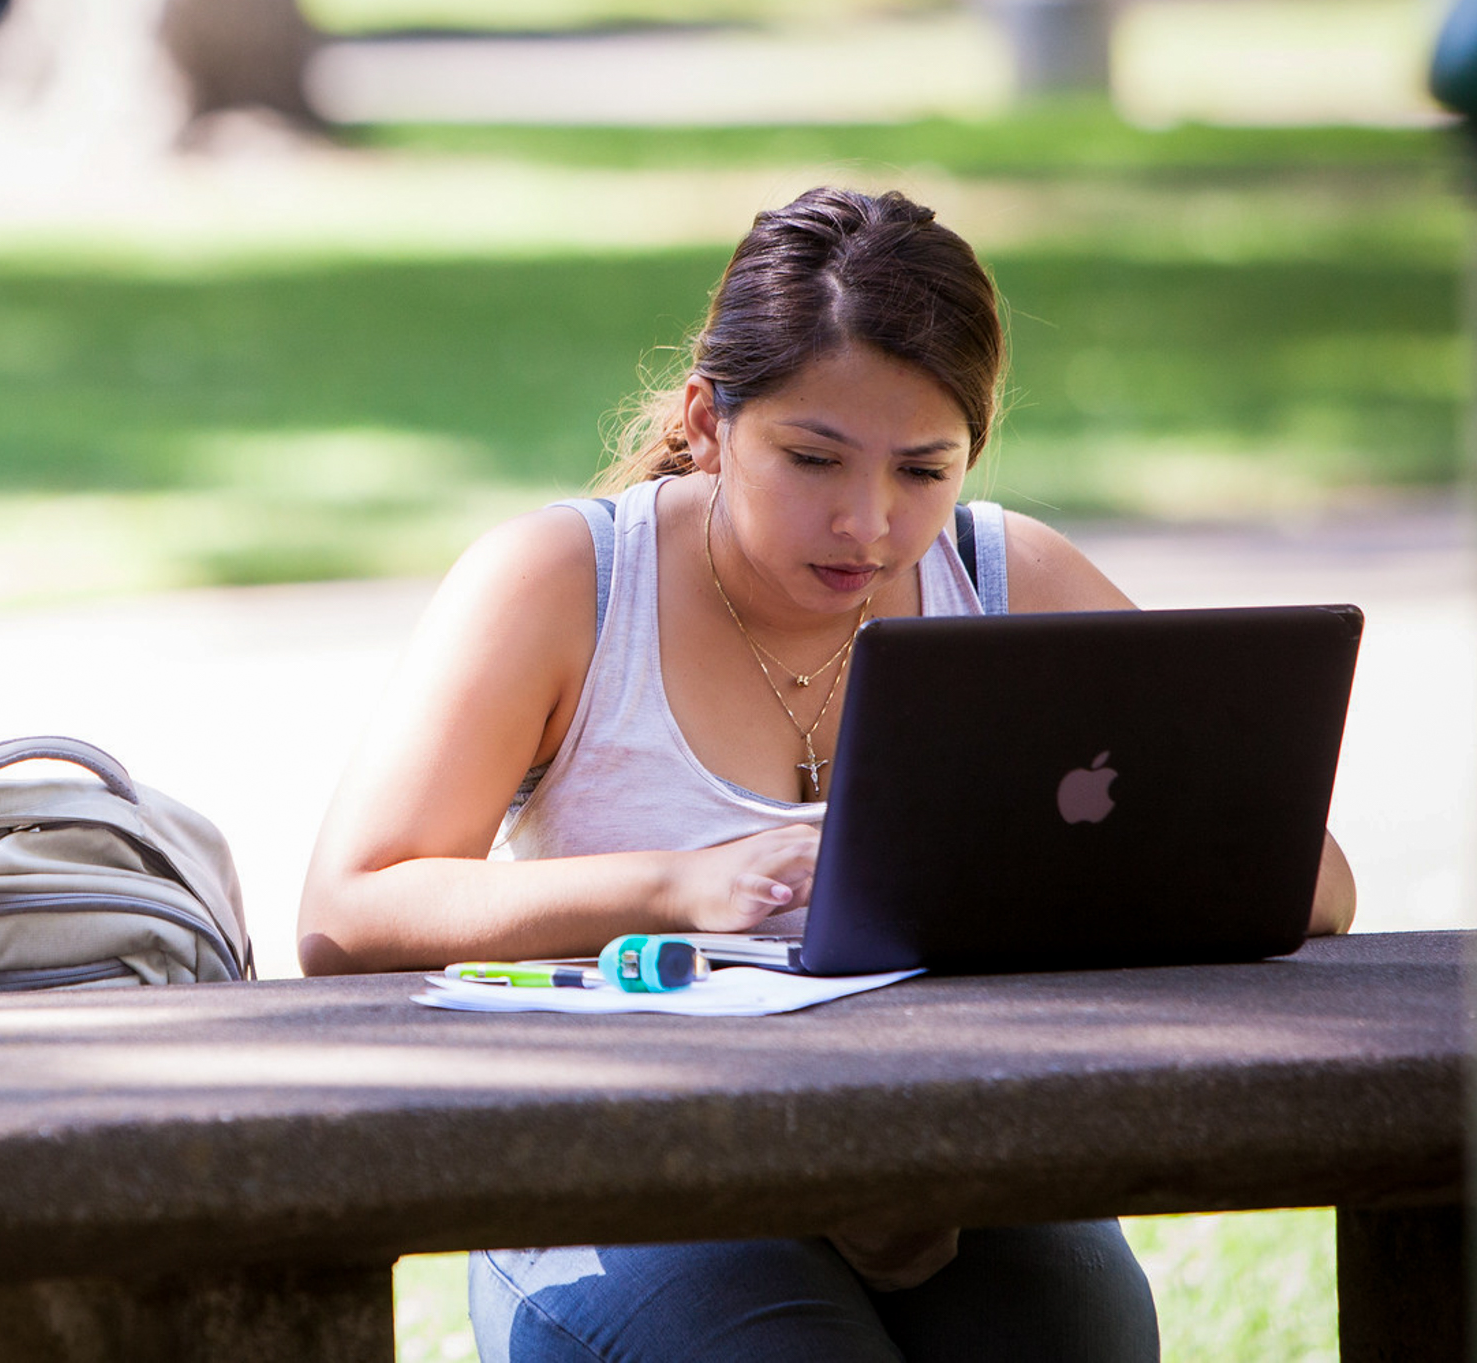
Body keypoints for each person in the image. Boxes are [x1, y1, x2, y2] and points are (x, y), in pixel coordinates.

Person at [296, 186, 1355, 1362]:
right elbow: (349, 909)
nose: (866, 523)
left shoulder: (1007, 583)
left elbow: (1313, 881)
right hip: (621, 1184)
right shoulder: (563, 583)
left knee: (1081, 1334)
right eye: (812, 458)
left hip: (940, 1172)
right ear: (706, 420)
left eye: (921, 469)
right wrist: (671, 888)